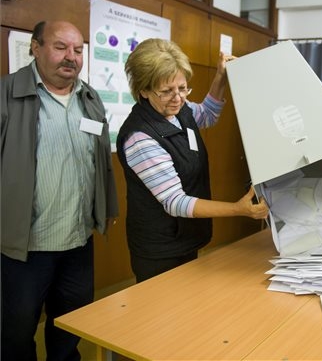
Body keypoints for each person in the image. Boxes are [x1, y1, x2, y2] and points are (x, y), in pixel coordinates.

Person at [1, 21, 119, 360]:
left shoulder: (90, 98)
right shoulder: (6, 94)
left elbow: (101, 161)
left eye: (78, 50)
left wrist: (106, 205)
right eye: (60, 47)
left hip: (77, 242)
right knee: (16, 330)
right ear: (35, 48)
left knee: (70, 325)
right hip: (25, 245)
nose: (71, 57)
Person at [116, 38, 269, 283]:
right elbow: (175, 201)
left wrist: (220, 77)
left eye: (182, 88)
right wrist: (237, 209)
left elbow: (207, 114)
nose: (177, 98)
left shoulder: (179, 109)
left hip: (186, 237)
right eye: (166, 91)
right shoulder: (140, 137)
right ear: (143, 90)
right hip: (160, 250)